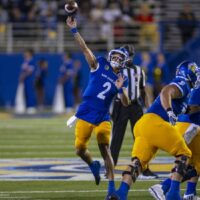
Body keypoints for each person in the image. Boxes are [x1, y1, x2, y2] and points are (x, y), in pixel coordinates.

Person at [106, 61, 200, 200]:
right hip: (155, 123)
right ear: (188, 73)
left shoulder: (184, 95)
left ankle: (121, 193)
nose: (196, 75)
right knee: (184, 154)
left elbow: (187, 109)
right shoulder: (183, 83)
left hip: (143, 125)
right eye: (194, 72)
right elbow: (166, 91)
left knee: (137, 164)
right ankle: (173, 194)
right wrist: (169, 111)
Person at [65, 16, 130, 197]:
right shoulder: (99, 64)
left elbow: (126, 103)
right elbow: (84, 48)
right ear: (110, 57)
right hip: (85, 112)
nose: (116, 58)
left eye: (120, 57)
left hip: (102, 116)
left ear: (124, 62)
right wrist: (74, 30)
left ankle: (111, 189)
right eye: (115, 56)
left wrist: (120, 90)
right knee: (79, 149)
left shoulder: (121, 79)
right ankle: (92, 165)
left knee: (105, 147)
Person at [110, 44, 156, 178]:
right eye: (126, 55)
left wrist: (149, 108)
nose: (128, 58)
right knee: (117, 137)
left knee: (141, 137)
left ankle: (144, 167)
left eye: (130, 55)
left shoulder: (138, 70)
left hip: (135, 105)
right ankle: (110, 167)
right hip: (120, 105)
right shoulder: (116, 70)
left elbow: (143, 91)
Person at [149, 86, 200, 200]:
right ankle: (163, 187)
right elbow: (193, 107)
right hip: (188, 124)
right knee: (184, 159)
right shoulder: (197, 86)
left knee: (196, 163)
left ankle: (189, 194)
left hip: (192, 125)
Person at [18, 48, 37, 114]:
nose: (25, 54)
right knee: (25, 93)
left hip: (30, 79)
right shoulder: (25, 61)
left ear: (30, 54)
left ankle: (31, 107)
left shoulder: (31, 61)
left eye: (26, 52)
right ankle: (27, 106)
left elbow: (30, 71)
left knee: (30, 92)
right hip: (25, 80)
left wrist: (23, 76)